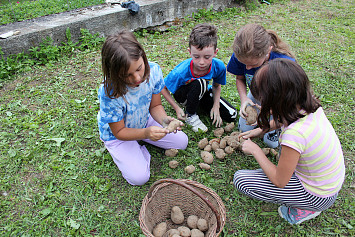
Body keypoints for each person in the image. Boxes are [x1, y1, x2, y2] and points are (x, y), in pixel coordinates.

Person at [233, 59, 345, 225]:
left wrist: (255, 149)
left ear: (275, 101)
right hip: (328, 183)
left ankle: (305, 209)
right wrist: (261, 129)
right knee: (279, 161)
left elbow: (280, 181)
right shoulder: (309, 106)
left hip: (317, 195)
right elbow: (286, 119)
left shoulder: (295, 135)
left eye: (262, 98)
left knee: (241, 180)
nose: (259, 101)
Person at [97, 30, 188, 186]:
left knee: (182, 142)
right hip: (118, 134)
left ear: (143, 57)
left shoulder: (153, 71)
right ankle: (131, 148)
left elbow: (156, 105)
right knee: (139, 178)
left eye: (139, 68)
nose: (137, 78)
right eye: (127, 75)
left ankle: (140, 141)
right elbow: (119, 131)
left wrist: (164, 120)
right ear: (114, 74)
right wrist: (146, 133)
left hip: (143, 121)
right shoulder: (109, 92)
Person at [227, 23, 295, 148]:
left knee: (271, 143)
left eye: (253, 65)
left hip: (278, 101)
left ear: (268, 51)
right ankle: (262, 118)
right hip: (256, 95)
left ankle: (272, 122)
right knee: (244, 128)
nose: (247, 68)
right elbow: (240, 78)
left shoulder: (283, 64)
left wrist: (271, 112)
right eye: (244, 64)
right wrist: (244, 100)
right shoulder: (241, 55)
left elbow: (290, 104)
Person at [161, 23, 237, 132]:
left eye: (207, 57)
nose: (201, 62)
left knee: (232, 115)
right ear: (190, 52)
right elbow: (163, 88)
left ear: (215, 52)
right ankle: (190, 115)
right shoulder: (181, 71)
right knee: (201, 82)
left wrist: (216, 106)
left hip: (203, 92)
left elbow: (216, 86)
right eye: (196, 57)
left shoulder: (219, 66)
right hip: (184, 96)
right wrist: (176, 108)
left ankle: (202, 106)